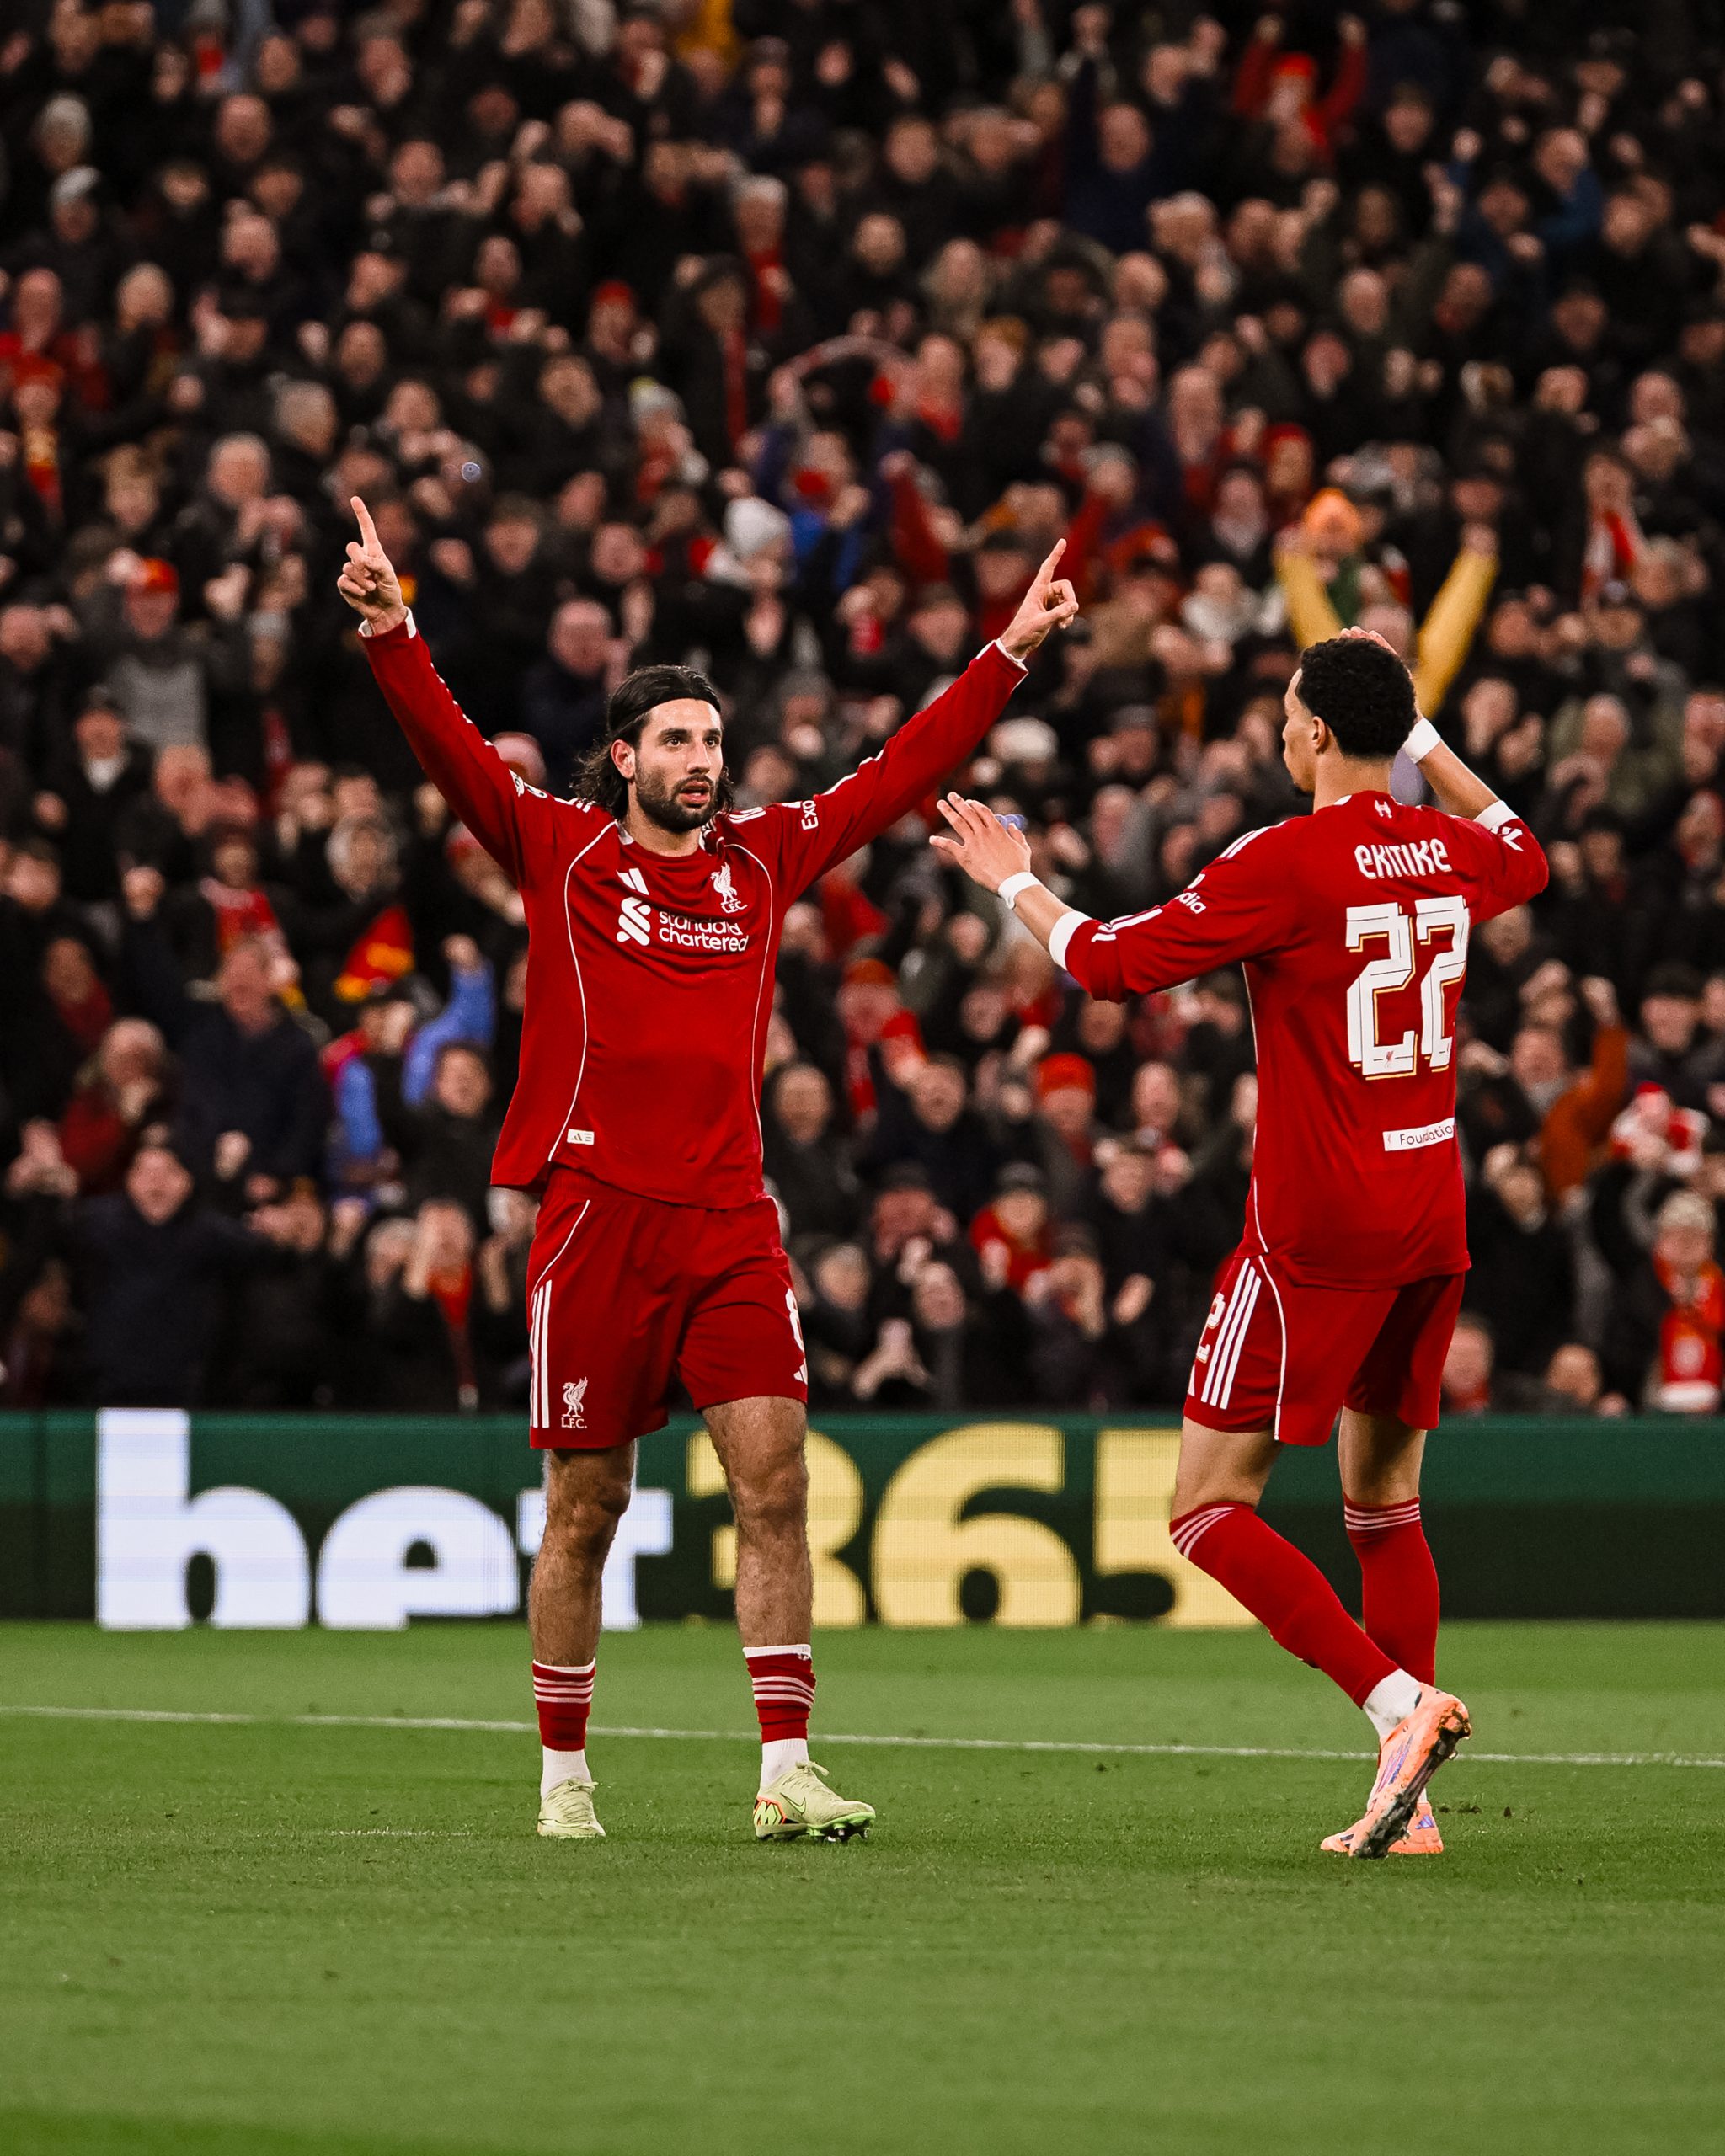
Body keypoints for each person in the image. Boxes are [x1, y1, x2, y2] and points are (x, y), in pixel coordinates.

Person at [339, 494, 1078, 1843]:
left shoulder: (766, 859)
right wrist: (397, 635)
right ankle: (566, 1777)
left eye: (713, 741)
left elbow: (897, 772)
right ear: (621, 758)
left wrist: (1010, 653)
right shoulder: (560, 854)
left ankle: (785, 1766)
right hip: (595, 1218)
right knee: (588, 1504)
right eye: (676, 740)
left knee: (778, 1479)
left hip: (733, 1217)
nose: (701, 759)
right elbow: (452, 756)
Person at [931, 628, 1548, 1860]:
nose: (1275, 728)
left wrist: (1012, 882)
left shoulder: (1287, 859)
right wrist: (1422, 737)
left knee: (1206, 1508)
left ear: (1317, 731)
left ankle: (1396, 1708)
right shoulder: (1452, 851)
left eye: (1287, 710)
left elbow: (1109, 966)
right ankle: (1407, 1803)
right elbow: (1527, 845)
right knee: (1383, 1503)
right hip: (1432, 1212)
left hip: (1318, 1229)